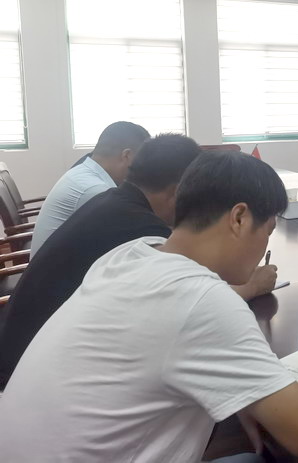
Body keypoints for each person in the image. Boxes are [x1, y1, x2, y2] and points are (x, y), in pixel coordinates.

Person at [0, 151, 298, 462]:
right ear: (239, 218)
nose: (266, 243)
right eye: (267, 230)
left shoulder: (131, 253)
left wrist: (242, 390)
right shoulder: (201, 300)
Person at [0, 135, 279, 390]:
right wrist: (252, 286)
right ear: (181, 190)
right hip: (28, 370)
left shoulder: (113, 202)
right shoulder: (142, 232)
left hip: (32, 355)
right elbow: (189, 300)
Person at [29, 120, 151, 255]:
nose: (142, 170)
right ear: (126, 155)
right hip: (59, 267)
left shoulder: (84, 172)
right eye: (141, 161)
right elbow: (128, 240)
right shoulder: (94, 190)